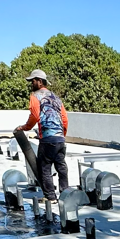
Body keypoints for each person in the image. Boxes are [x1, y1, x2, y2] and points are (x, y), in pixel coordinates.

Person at [15, 69, 69, 200]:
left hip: (47, 138)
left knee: (45, 168)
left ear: (40, 81)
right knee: (61, 167)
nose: (31, 84)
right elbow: (64, 119)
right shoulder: (56, 97)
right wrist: (62, 135)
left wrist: (25, 127)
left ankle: (50, 197)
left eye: (33, 81)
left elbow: (35, 115)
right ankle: (66, 195)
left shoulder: (35, 96)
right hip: (60, 138)